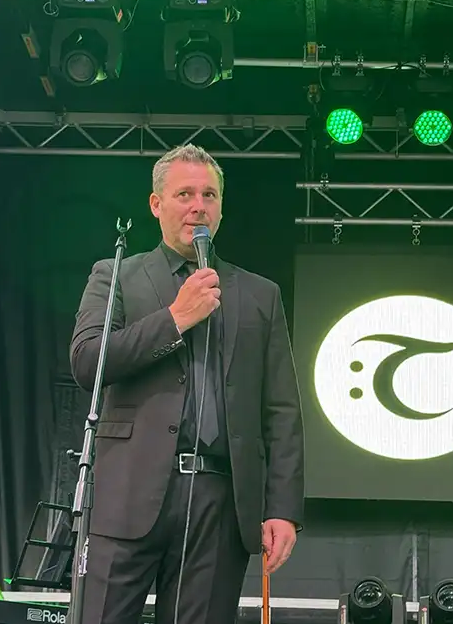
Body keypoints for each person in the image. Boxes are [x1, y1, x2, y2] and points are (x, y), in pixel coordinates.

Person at [69, 143, 305, 624]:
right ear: (156, 204)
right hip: (127, 492)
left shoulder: (259, 294)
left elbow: (281, 409)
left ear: (221, 207)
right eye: (185, 194)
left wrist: (282, 507)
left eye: (209, 195)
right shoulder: (116, 276)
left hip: (219, 500)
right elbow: (87, 360)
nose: (199, 205)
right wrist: (174, 319)